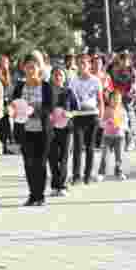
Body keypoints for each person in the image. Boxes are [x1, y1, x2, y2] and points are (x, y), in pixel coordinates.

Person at [12, 53, 53, 206]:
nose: (30, 70)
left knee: (40, 163)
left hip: (42, 130)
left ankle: (40, 195)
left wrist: (33, 111)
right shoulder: (19, 86)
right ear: (23, 68)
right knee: (28, 163)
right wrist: (12, 110)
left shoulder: (46, 86)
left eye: (33, 67)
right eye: (28, 67)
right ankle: (32, 194)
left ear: (39, 68)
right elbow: (14, 104)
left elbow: (49, 107)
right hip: (25, 130)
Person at [68, 55, 104, 185]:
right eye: (79, 63)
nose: (82, 65)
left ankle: (87, 175)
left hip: (92, 115)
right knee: (77, 147)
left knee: (90, 147)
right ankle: (76, 176)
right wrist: (70, 115)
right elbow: (70, 99)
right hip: (78, 115)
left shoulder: (96, 80)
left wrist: (101, 116)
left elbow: (100, 100)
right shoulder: (73, 80)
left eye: (84, 63)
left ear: (89, 65)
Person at [48, 67, 78, 197]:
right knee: (53, 158)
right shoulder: (47, 92)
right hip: (51, 129)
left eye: (60, 75)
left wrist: (70, 114)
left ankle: (63, 185)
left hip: (66, 129)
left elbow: (76, 110)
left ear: (64, 77)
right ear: (51, 77)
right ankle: (55, 186)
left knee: (64, 157)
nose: (58, 77)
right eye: (55, 75)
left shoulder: (69, 92)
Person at [97, 90, 128, 181]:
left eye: (118, 99)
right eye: (114, 99)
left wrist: (121, 127)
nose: (116, 101)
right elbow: (101, 123)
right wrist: (107, 123)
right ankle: (101, 173)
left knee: (119, 156)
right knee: (105, 155)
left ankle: (119, 171)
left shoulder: (122, 110)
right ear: (109, 100)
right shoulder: (106, 110)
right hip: (107, 136)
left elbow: (126, 123)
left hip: (119, 137)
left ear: (121, 100)